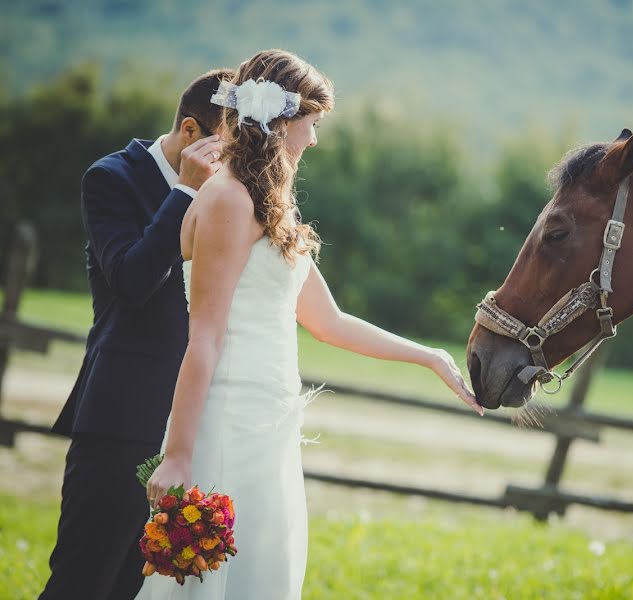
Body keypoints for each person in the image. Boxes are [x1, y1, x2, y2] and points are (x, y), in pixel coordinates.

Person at [135, 49, 481, 599]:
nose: (315, 140)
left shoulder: (269, 204)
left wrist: (429, 356)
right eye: (312, 124)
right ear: (281, 121)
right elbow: (204, 336)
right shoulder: (226, 199)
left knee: (266, 577)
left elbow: (330, 322)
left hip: (271, 428)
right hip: (228, 424)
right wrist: (177, 455)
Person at [40, 68, 235, 600]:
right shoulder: (111, 178)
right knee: (82, 579)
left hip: (192, 424)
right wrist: (185, 192)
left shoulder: (228, 193)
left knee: (136, 588)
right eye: (226, 147)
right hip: (120, 416)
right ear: (192, 132)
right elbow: (131, 281)